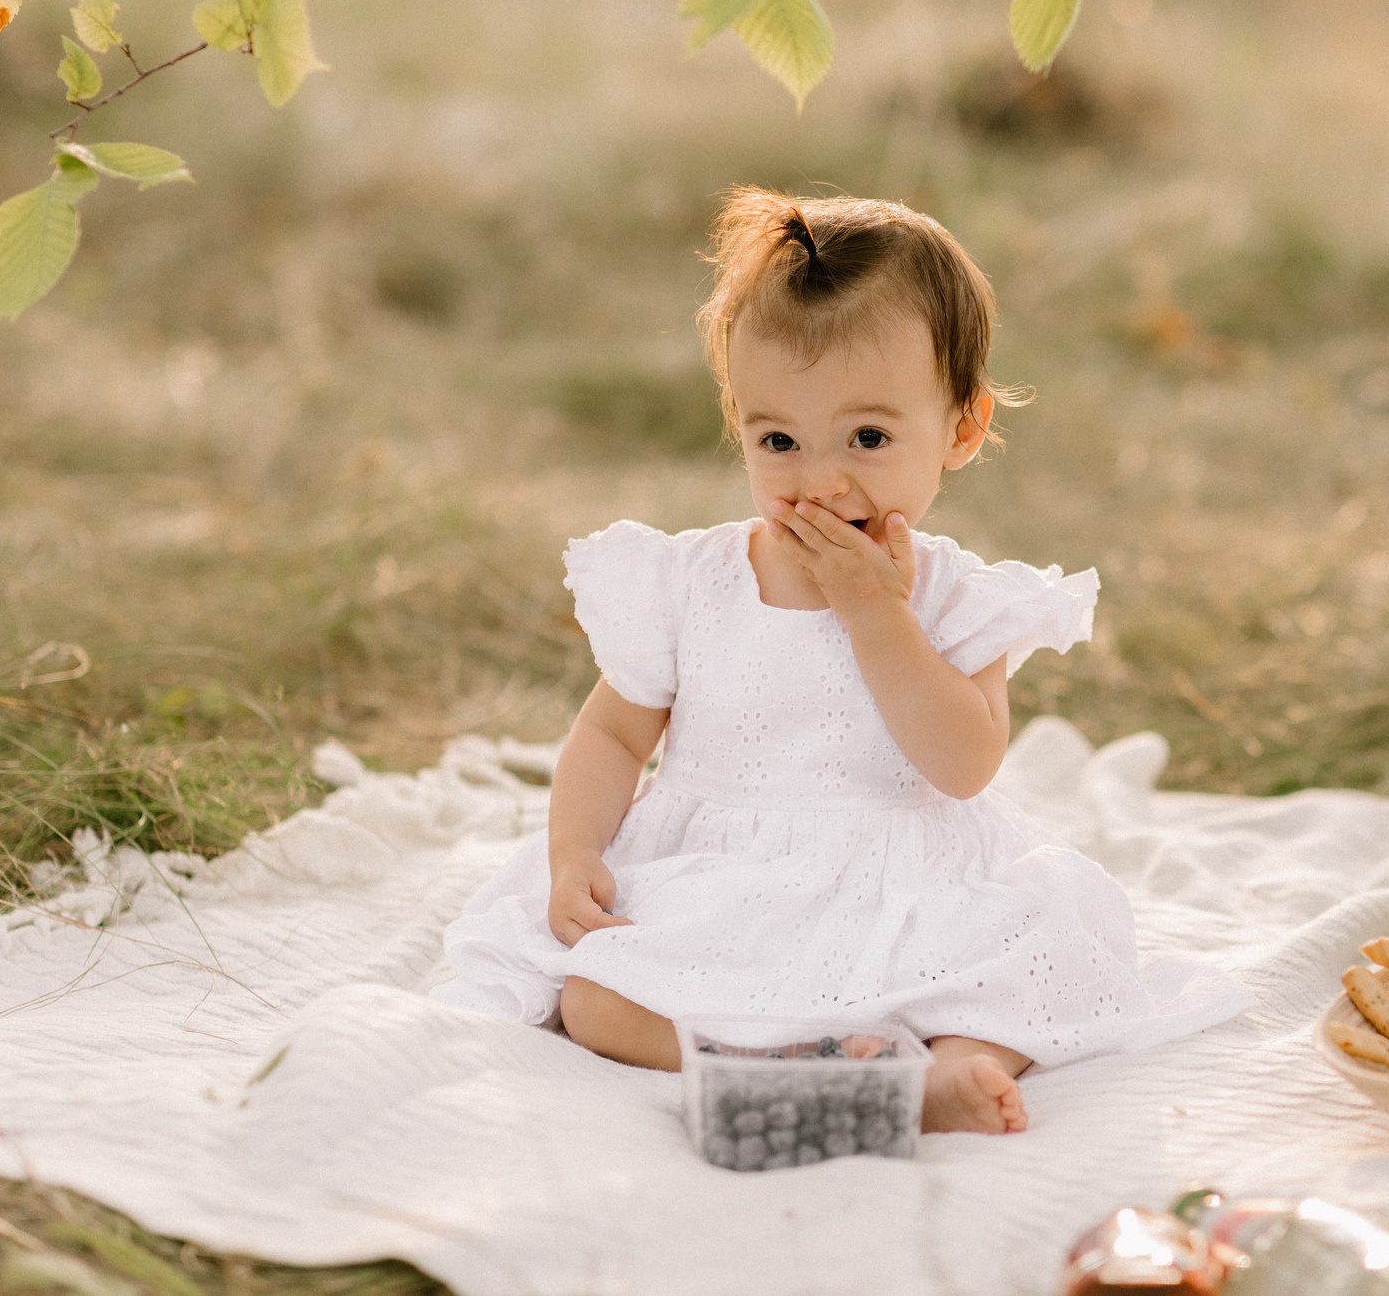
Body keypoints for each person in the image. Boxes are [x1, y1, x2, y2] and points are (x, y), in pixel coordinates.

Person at [433, 189, 1252, 1135]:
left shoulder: (949, 597)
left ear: (962, 428)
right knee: (595, 1002)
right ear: (740, 425)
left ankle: (946, 1071)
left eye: (868, 437)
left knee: (1048, 950)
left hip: (904, 873)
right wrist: (574, 851)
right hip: (723, 874)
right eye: (779, 440)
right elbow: (614, 732)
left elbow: (962, 763)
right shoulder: (694, 580)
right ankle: (820, 1070)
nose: (822, 480)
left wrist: (879, 616)